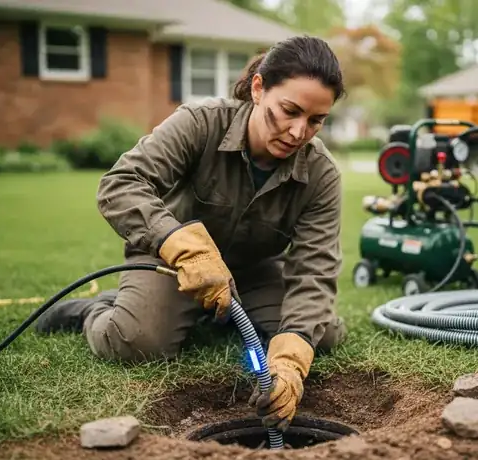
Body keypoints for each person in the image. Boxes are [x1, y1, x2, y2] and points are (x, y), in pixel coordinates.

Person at [35, 35, 348, 432]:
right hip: (170, 262)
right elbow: (121, 185)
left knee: (318, 337)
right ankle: (95, 310)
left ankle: (223, 317)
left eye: (316, 121)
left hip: (254, 272)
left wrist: (288, 361)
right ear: (258, 88)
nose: (298, 132)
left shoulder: (322, 174)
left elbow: (314, 269)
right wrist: (184, 249)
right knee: (138, 343)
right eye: (289, 111)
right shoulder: (200, 123)